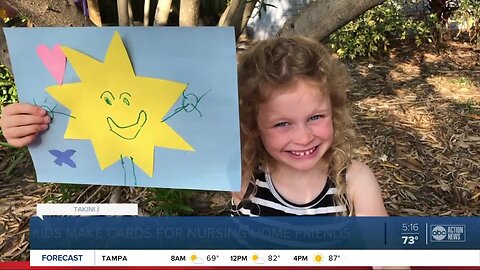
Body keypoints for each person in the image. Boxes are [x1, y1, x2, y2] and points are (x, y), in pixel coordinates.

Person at [231, 36, 388, 217]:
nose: (304, 138)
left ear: (333, 111)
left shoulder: (356, 183)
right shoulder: (245, 179)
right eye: (282, 123)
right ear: (253, 125)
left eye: (315, 117)